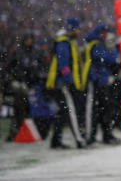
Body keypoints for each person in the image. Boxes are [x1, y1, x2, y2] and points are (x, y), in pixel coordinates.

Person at [46, 17, 87, 149]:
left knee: (63, 112)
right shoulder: (64, 42)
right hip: (62, 83)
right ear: (72, 29)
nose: (79, 31)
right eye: (78, 28)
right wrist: (69, 80)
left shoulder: (68, 41)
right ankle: (79, 140)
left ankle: (55, 141)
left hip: (61, 82)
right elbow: (63, 64)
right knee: (70, 111)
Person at [81, 23, 121, 145]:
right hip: (95, 81)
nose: (106, 34)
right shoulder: (95, 44)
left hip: (102, 81)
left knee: (105, 110)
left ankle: (106, 135)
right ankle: (91, 136)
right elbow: (106, 59)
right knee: (94, 111)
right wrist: (114, 50)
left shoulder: (99, 43)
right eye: (104, 32)